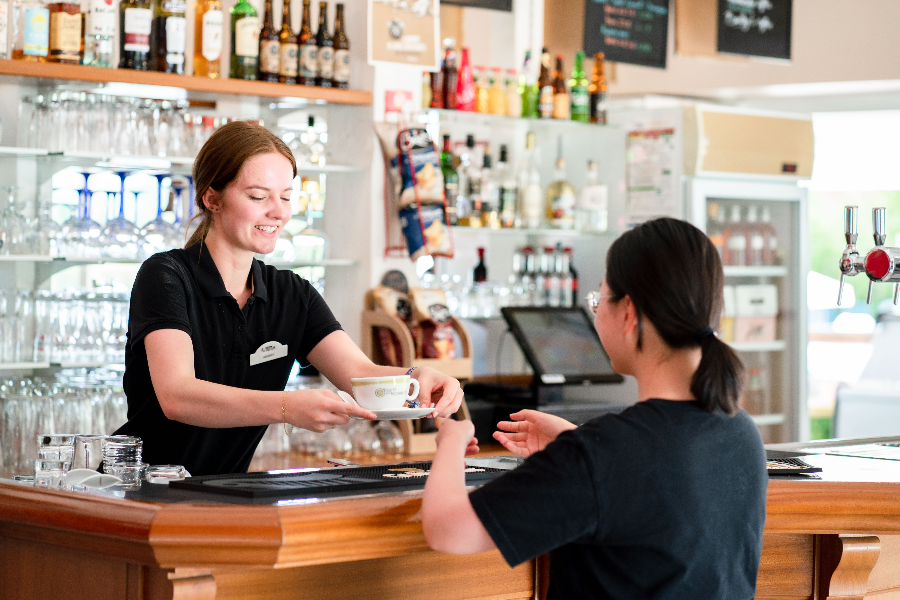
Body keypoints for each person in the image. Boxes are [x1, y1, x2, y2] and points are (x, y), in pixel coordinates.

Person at [422, 217, 768, 599]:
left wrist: (451, 442)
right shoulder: (741, 432)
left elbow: (447, 530)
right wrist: (573, 441)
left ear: (629, 313)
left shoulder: (602, 456)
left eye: (599, 299)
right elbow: (659, 477)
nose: (596, 312)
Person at [114, 121, 463, 476]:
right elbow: (177, 396)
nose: (278, 212)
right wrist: (285, 406)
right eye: (258, 196)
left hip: (220, 493)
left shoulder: (292, 294)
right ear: (211, 198)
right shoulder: (167, 276)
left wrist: (415, 378)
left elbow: (360, 376)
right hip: (141, 492)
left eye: (285, 196)